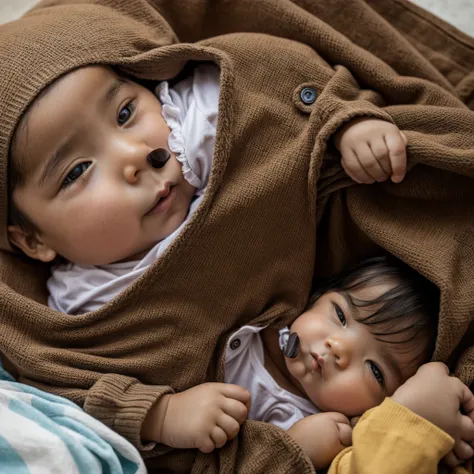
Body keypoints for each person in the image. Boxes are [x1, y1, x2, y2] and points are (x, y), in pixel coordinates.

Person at [1, 1, 474, 473]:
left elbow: (282, 85)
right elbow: (67, 386)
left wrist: (344, 121)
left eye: (126, 112)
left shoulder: (205, 119)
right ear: (32, 240)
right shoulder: (73, 311)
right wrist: (159, 414)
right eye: (78, 170)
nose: (137, 155)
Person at [225, 256, 440, 469]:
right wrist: (189, 414)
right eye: (341, 315)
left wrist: (295, 450)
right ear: (315, 297)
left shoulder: (325, 442)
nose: (339, 348)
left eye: (375, 370)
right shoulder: (245, 325)